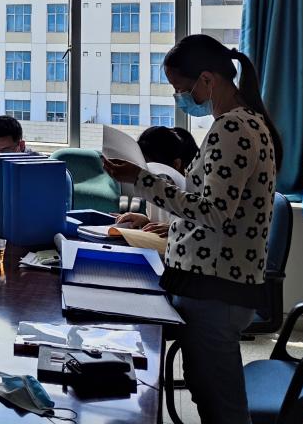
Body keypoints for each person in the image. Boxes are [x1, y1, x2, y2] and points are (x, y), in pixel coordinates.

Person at [103, 34, 280, 424]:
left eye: (181, 89)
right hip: (211, 283)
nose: (179, 97)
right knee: (208, 394)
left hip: (215, 288)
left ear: (207, 80)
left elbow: (214, 213)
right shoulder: (244, 123)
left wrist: (141, 180)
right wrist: (165, 225)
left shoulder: (233, 129)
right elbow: (215, 204)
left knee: (223, 409)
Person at [116, 126, 200, 235]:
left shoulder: (193, 195)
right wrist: (145, 220)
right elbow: (159, 222)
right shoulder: (151, 186)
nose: (146, 178)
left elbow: (202, 231)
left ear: (176, 164)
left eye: (153, 169)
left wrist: (173, 229)